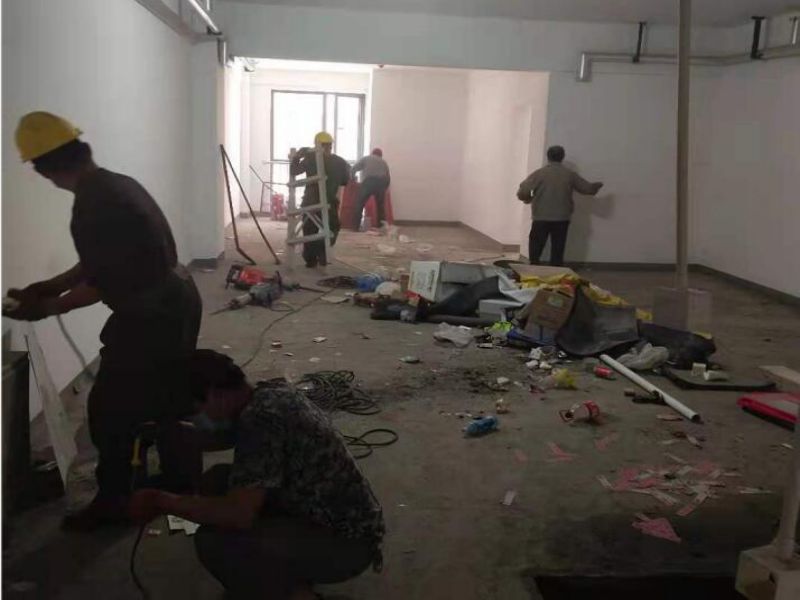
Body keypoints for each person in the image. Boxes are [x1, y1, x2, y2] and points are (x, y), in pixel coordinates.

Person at [5, 112, 202, 530]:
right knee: (168, 393)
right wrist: (50, 285)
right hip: (178, 299)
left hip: (153, 314)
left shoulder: (93, 205)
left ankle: (115, 503)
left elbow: (100, 283)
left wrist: (48, 306)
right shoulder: (115, 184)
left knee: (110, 410)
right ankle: (180, 483)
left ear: (43, 169)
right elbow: (98, 262)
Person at [130, 350, 385, 600]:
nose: (199, 418)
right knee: (218, 480)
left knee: (216, 542)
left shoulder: (261, 420)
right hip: (334, 515)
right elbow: (232, 436)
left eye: (198, 410)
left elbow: (239, 515)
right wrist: (177, 433)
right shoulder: (269, 394)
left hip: (346, 545)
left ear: (216, 394)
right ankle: (284, 572)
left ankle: (295, 592)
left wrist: (161, 501)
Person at [516, 145, 604, 266]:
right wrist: (597, 186)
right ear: (562, 157)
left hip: (541, 216)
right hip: (562, 218)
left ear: (548, 157)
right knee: (558, 246)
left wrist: (530, 197)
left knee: (536, 244)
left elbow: (525, 192)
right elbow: (588, 189)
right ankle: (556, 269)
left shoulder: (539, 174)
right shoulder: (569, 175)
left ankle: (534, 266)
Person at [289, 132, 350, 268]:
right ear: (330, 145)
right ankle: (322, 252)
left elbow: (294, 171)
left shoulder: (310, 158)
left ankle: (311, 258)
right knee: (333, 228)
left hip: (310, 201)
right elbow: (345, 181)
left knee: (309, 229)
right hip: (329, 202)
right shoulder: (340, 162)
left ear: (316, 145)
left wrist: (297, 156)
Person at [352, 148, 391, 230]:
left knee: (360, 203)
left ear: (372, 153)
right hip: (381, 183)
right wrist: (384, 188)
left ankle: (355, 226)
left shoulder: (366, 158)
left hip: (368, 182)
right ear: (380, 155)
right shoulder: (384, 162)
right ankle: (381, 227)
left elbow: (354, 168)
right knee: (380, 206)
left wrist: (352, 179)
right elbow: (388, 178)